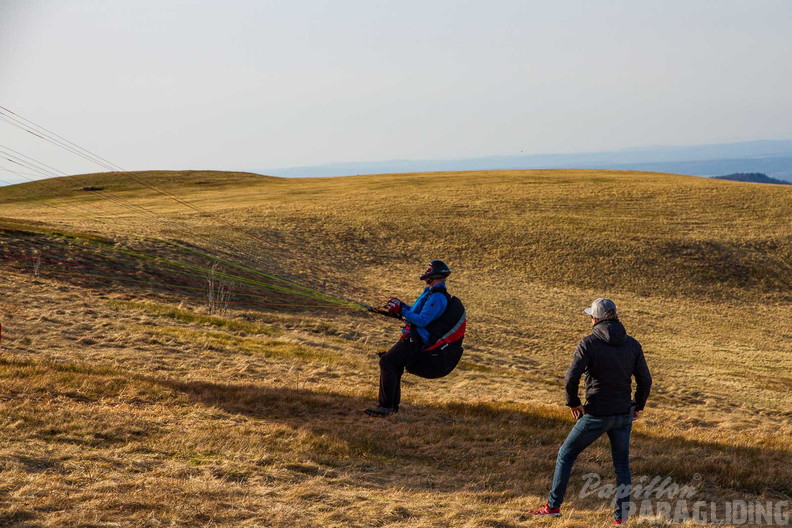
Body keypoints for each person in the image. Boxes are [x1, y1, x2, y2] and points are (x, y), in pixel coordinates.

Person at [528, 298, 652, 524]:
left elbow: (571, 377)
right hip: (623, 414)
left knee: (566, 454)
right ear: (614, 315)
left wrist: (573, 402)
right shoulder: (632, 344)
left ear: (595, 318)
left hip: (596, 413)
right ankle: (621, 518)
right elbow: (645, 379)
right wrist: (637, 406)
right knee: (622, 465)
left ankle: (553, 507)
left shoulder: (589, 343)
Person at [364, 259, 466, 417]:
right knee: (392, 364)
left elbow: (422, 320)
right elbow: (415, 313)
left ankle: (386, 407)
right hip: (412, 337)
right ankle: (390, 407)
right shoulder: (429, 294)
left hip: (416, 340)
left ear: (435, 274)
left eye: (428, 270)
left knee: (387, 361)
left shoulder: (437, 297)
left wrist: (402, 310)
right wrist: (401, 306)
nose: (426, 273)